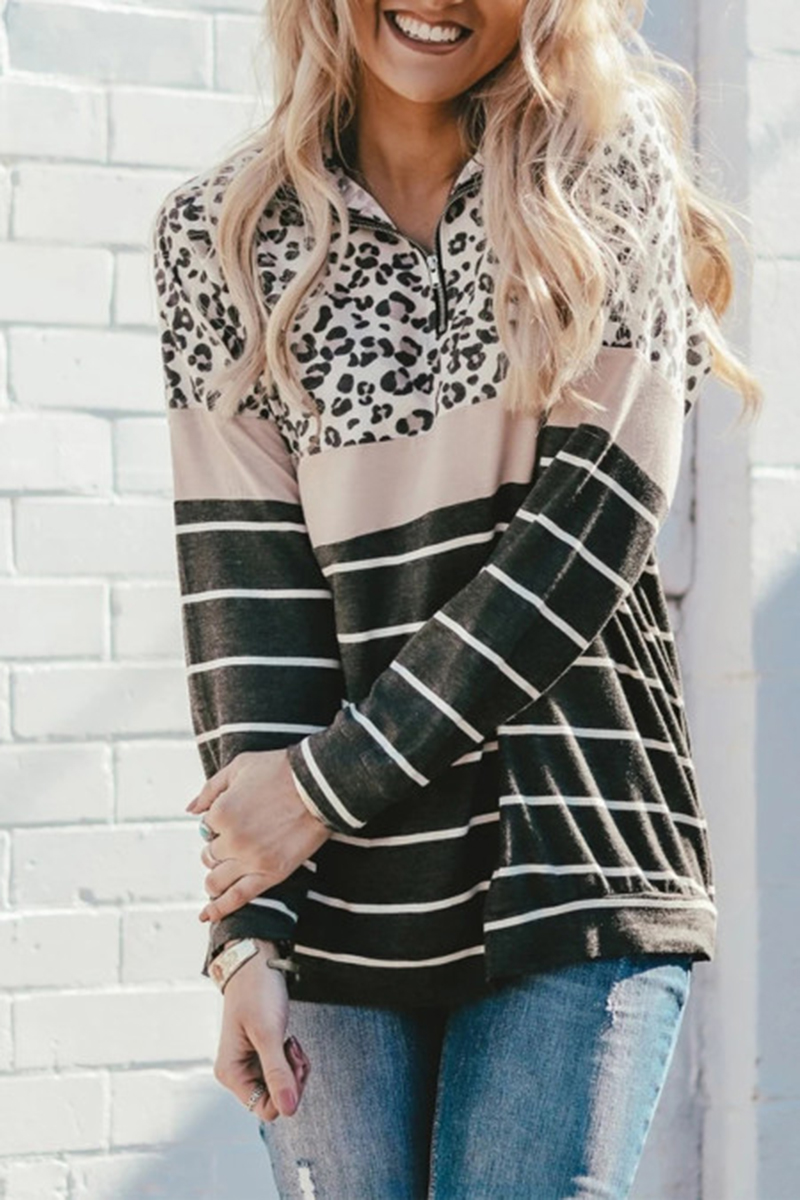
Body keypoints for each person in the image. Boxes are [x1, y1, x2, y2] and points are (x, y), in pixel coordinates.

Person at [151, 0, 762, 1195]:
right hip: (335, 897)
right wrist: (247, 935)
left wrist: (322, 787)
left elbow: (586, 533)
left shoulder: (600, 167)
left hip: (569, 845)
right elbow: (247, 595)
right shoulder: (220, 236)